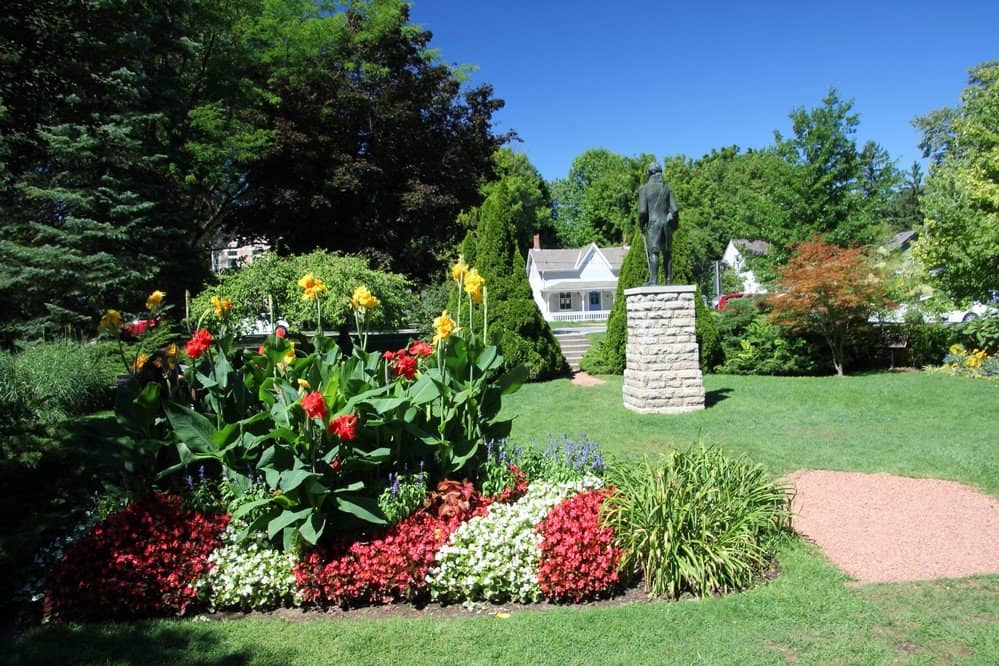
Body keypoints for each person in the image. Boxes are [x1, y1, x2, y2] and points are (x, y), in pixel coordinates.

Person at [638, 160, 679, 285]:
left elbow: (643, 211)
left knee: (654, 252)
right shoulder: (666, 187)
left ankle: (654, 281)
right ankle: (669, 281)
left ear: (649, 173)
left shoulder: (644, 188)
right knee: (667, 253)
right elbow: (675, 209)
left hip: (653, 223)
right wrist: (669, 219)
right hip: (666, 222)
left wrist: (641, 224)